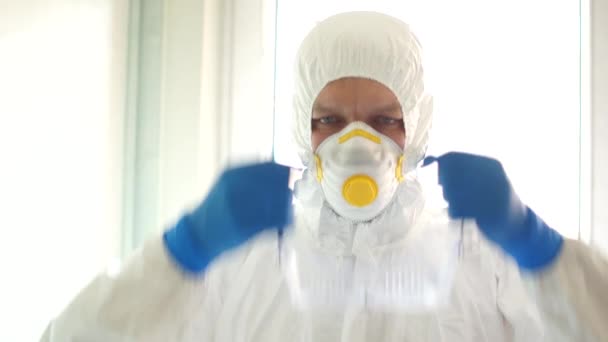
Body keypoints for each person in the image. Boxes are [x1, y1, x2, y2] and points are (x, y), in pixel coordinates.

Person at [41, 11, 607, 341]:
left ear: (421, 125)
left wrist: (538, 248)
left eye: (386, 120)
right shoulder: (244, 259)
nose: (356, 145)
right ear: (298, 127)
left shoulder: (479, 253)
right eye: (328, 121)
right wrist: (185, 250)